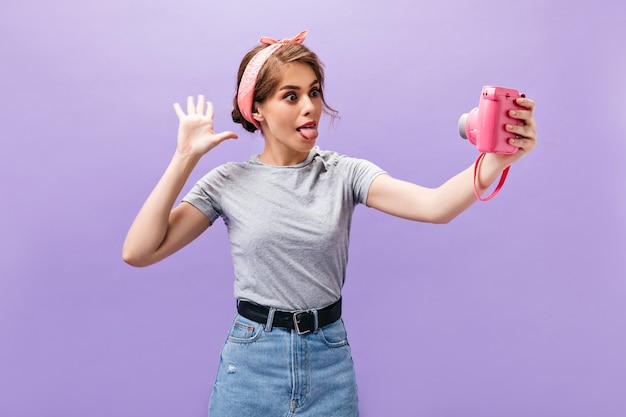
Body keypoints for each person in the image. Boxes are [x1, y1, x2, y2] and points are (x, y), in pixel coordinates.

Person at [122, 30, 537, 416]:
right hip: (251, 363)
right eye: (290, 96)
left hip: (328, 360)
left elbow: (436, 206)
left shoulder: (343, 173)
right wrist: (184, 158)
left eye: (314, 92)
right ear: (257, 111)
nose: (310, 107)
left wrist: (498, 159)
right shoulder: (227, 182)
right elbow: (138, 251)